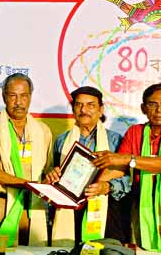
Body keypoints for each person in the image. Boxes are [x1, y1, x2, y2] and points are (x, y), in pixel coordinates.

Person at [92, 83, 161, 251]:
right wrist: (95, 186)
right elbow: (117, 168)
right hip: (143, 210)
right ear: (143, 108)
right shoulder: (135, 132)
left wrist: (129, 159)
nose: (159, 110)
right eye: (152, 104)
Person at [0, 73, 53, 246]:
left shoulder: (43, 131)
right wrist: (27, 184)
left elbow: (47, 171)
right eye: (12, 96)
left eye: (24, 96)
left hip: (32, 207)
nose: (19, 102)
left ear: (30, 97)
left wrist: (52, 176)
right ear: (4, 97)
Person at [46, 86, 130, 246]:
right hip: (68, 213)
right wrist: (52, 174)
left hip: (104, 210)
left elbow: (127, 180)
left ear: (101, 109)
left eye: (90, 105)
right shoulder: (62, 140)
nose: (84, 110)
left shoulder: (115, 140)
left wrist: (107, 187)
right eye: (79, 105)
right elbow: (54, 174)